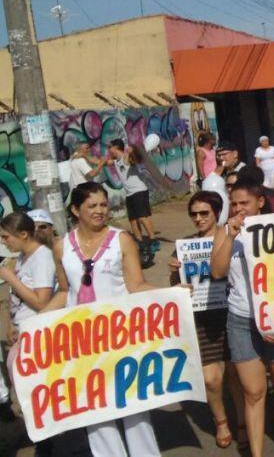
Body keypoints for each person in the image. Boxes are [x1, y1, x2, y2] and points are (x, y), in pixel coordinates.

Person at [41, 182, 165, 456]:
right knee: (95, 409)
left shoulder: (122, 240)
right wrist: (35, 322)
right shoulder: (61, 247)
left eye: (103, 205)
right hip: (82, 341)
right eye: (92, 206)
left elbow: (136, 285)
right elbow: (64, 292)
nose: (100, 211)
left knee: (133, 403)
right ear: (76, 210)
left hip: (120, 335)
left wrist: (173, 294)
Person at [211, 180, 274, 457]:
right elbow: (217, 272)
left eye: (244, 203)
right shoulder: (225, 231)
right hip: (241, 319)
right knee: (253, 392)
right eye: (234, 204)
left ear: (260, 202)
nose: (238, 209)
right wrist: (230, 237)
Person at [168, 191, 244, 450]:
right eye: (194, 214)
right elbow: (178, 286)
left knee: (235, 375)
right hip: (200, 317)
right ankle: (221, 422)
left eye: (204, 213)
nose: (198, 218)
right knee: (211, 378)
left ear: (216, 213)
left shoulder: (234, 237)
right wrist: (174, 274)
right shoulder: (185, 246)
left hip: (231, 313)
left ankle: (242, 423)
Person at [0, 212, 56, 437]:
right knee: (30, 393)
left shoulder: (41, 258)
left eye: (6, 237)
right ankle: (44, 439)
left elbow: (41, 301)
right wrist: (12, 325)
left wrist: (11, 278)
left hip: (39, 334)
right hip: (25, 331)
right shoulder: (24, 257)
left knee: (39, 392)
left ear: (23, 234)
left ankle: (50, 440)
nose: (4, 242)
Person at [108, 139, 158, 255]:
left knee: (142, 217)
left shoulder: (127, 157)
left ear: (116, 147)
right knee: (133, 220)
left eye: (110, 147)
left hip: (139, 190)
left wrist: (132, 151)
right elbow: (100, 162)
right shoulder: (115, 161)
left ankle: (153, 241)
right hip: (130, 194)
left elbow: (135, 158)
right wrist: (85, 157)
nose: (108, 150)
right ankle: (139, 242)